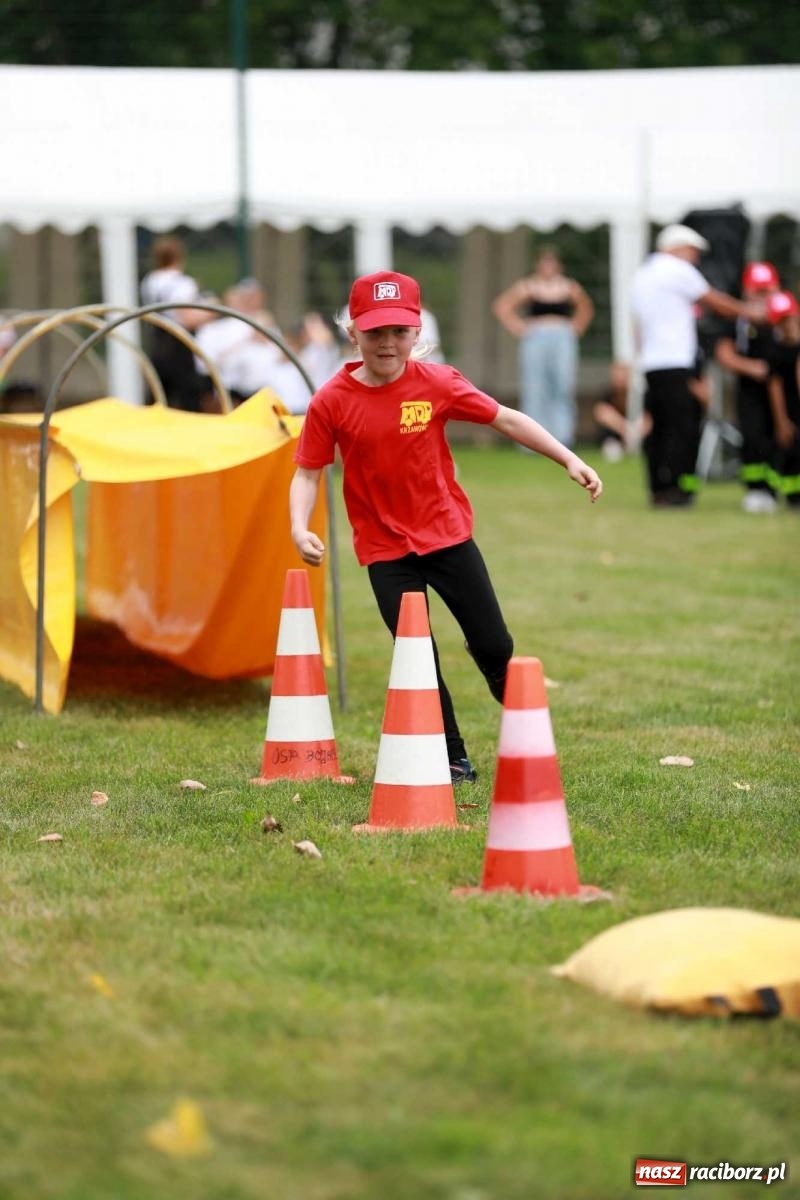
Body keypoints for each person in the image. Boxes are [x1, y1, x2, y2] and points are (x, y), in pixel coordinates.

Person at [289, 270, 602, 785]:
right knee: (417, 656)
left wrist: (567, 458)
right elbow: (306, 471)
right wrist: (299, 527)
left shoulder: (438, 382)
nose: (387, 343)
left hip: (448, 537)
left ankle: (499, 675)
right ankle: (453, 758)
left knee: (495, 642)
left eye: (398, 332)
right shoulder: (331, 401)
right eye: (374, 332)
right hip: (385, 551)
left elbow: (506, 418)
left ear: (416, 332)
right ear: (353, 334)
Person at [631, 224, 764, 507]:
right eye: (693, 252)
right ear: (677, 248)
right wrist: (750, 313)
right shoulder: (677, 270)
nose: (696, 259)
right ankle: (679, 490)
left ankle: (658, 489)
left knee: (659, 428)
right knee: (682, 428)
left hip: (652, 363)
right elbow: (715, 301)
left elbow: (638, 326)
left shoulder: (642, 275)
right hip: (677, 361)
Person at [492, 246, 595, 448]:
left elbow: (585, 307)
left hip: (562, 338)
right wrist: (519, 327)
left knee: (562, 386)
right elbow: (502, 306)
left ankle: (562, 437)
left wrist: (577, 327)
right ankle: (530, 439)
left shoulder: (568, 287)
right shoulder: (528, 286)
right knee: (535, 387)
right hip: (536, 337)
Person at [714, 261, 780, 513]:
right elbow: (724, 353)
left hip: (784, 391)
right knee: (754, 437)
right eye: (758, 291)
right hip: (752, 391)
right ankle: (757, 489)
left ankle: (786, 490)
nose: (763, 296)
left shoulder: (785, 313)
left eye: (767, 290)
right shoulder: (738, 320)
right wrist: (752, 368)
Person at [140, 235, 207, 411]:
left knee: (158, 395)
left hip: (157, 341)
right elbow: (187, 318)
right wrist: (210, 312)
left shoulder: (150, 280)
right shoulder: (183, 283)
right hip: (179, 344)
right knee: (188, 397)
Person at [765, 290, 800, 510]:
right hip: (790, 411)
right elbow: (775, 388)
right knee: (791, 455)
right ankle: (792, 498)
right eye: (781, 321)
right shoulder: (777, 352)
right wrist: (781, 421)